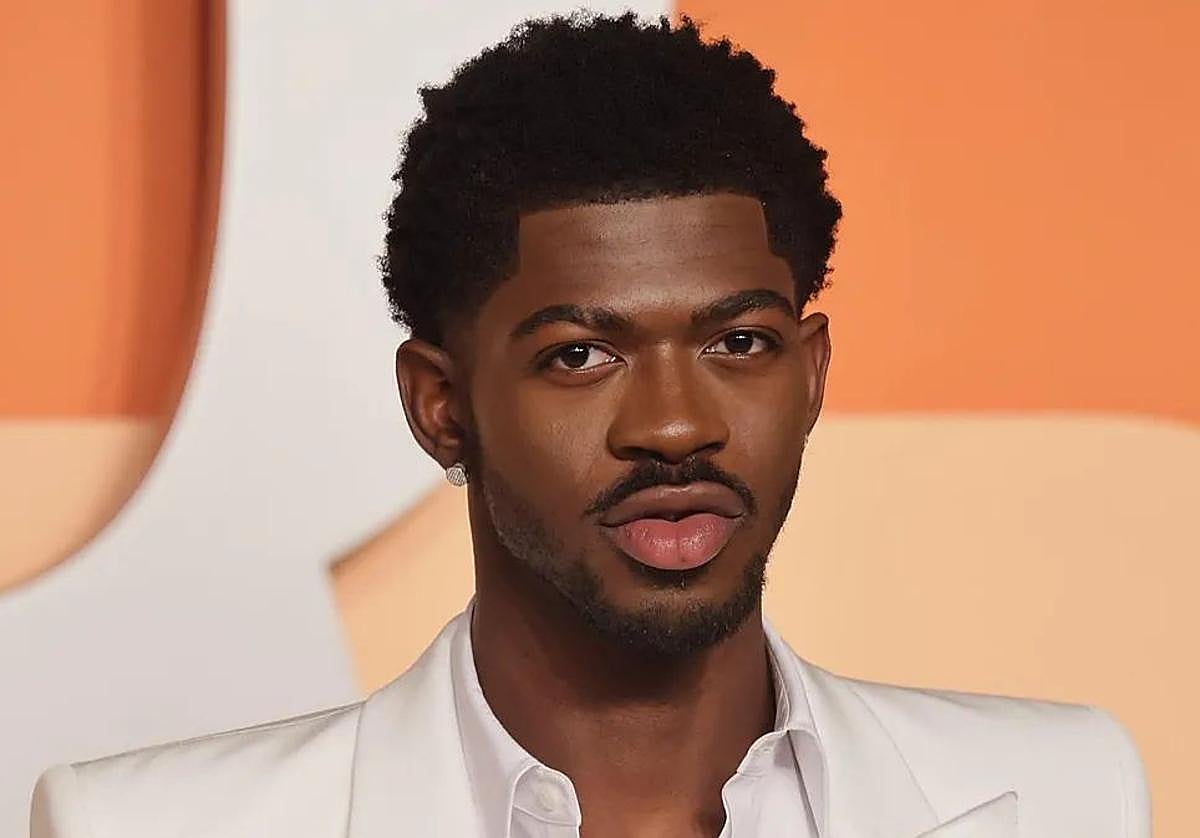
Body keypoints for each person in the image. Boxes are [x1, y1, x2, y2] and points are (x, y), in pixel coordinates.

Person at [31, 12, 1149, 838]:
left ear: (811, 375)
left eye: (738, 343)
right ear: (439, 405)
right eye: (579, 355)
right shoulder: (145, 828)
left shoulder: (1061, 797)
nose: (675, 426)